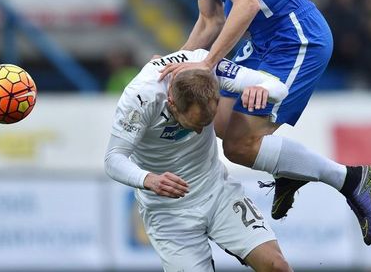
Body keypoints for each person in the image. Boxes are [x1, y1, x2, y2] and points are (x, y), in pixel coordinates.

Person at [108, 0, 371, 245]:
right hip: (263, 40)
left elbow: (248, 2)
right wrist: (177, 61)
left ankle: (351, 179)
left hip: (294, 37)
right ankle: (288, 171)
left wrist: (204, 64)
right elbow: (210, 19)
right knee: (216, 119)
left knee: (239, 144)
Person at [105, 49, 291, 272]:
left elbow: (279, 86)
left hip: (217, 191)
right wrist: (148, 179)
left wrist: (261, 90)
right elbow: (113, 158)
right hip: (168, 213)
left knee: (276, 266)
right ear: (171, 102)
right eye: (193, 123)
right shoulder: (140, 96)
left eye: (207, 121)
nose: (201, 129)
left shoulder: (207, 66)